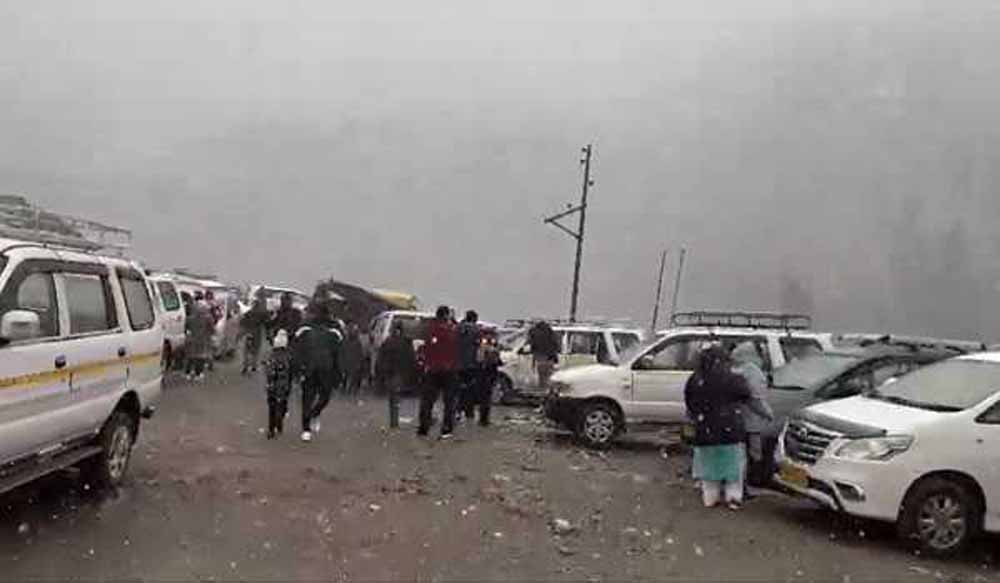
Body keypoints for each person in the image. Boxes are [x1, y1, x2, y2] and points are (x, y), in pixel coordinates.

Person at [684, 345, 752, 510]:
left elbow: (689, 401)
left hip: (705, 429)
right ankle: (733, 498)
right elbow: (746, 394)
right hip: (730, 429)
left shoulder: (696, 379)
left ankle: (710, 497)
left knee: (708, 468)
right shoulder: (733, 378)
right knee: (733, 467)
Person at [292, 301, 343, 443]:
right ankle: (307, 427)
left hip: (320, 369)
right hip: (315, 369)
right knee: (314, 397)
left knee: (316, 398)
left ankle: (310, 419)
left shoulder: (333, 328)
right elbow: (297, 348)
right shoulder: (307, 327)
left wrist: (338, 371)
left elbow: (339, 352)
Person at [730, 342, 774, 490]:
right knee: (754, 454)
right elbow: (755, 399)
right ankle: (750, 483)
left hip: (737, 420)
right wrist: (768, 414)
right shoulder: (752, 371)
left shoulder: (735, 370)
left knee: (741, 454)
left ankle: (742, 484)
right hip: (752, 422)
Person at [418, 305, 459, 439]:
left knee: (427, 401)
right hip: (448, 370)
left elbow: (424, 348)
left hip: (432, 370)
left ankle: (423, 428)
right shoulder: (452, 330)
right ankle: (446, 428)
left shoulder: (429, 329)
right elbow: (456, 348)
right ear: (446, 316)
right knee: (449, 402)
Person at [376, 322, 417, 428]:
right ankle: (394, 421)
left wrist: (381, 371)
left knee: (393, 397)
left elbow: (381, 357)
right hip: (399, 372)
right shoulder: (406, 342)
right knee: (395, 396)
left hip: (391, 372)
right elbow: (411, 358)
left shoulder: (388, 341)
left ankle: (394, 421)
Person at [264, 329, 294, 439]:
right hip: (284, 385)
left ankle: (271, 429)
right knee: (282, 404)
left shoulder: (271, 356)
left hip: (272, 385)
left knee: (271, 407)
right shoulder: (289, 356)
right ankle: (279, 421)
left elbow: (269, 371)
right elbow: (291, 372)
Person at [457, 310, 482, 421]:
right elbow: (479, 345)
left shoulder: (458, 328)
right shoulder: (476, 329)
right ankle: (469, 412)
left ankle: (457, 410)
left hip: (457, 364)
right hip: (471, 364)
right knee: (470, 388)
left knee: (458, 389)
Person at [475, 328, 503, 426]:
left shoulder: (487, 345)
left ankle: (484, 418)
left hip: (487, 372)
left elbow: (480, 358)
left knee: (485, 396)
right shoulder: (486, 346)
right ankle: (483, 419)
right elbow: (481, 358)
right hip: (486, 372)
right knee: (485, 396)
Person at [184, 291, 214, 382]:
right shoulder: (208, 316)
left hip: (192, 338)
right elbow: (211, 328)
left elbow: (186, 327)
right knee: (200, 356)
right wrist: (211, 334)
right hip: (203, 338)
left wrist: (188, 333)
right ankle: (198, 374)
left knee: (191, 355)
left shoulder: (190, 317)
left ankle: (188, 373)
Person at [240, 294, 269, 375]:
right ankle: (254, 365)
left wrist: (243, 332)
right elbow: (267, 323)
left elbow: (242, 322)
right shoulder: (262, 313)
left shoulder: (248, 312)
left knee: (246, 350)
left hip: (249, 332)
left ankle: (245, 366)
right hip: (257, 333)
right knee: (255, 350)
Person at [528, 320, 560, 389]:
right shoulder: (550, 333)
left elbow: (533, 347)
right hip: (550, 359)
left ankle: (544, 390)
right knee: (550, 377)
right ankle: (550, 390)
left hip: (541, 359)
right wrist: (556, 360)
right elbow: (555, 347)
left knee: (542, 378)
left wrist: (533, 362)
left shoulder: (534, 333)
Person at [340, 323, 365, 397]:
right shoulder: (345, 342)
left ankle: (352, 390)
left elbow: (360, 354)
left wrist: (360, 363)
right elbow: (341, 353)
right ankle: (347, 389)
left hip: (353, 363)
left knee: (354, 377)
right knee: (347, 377)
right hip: (348, 362)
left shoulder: (357, 342)